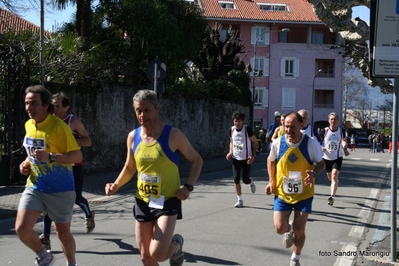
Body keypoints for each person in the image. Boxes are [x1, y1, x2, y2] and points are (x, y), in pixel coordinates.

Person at [105, 90, 203, 266]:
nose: (142, 115)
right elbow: (129, 166)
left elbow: (197, 160)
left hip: (167, 201)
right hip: (143, 200)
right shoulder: (133, 137)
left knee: (157, 253)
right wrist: (116, 184)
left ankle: (176, 246)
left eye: (146, 110)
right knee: (145, 257)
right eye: (138, 110)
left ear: (157, 108)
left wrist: (188, 187)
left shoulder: (173, 135)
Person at [16, 85, 82, 266]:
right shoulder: (29, 125)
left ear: (46, 105)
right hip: (35, 186)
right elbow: (32, 152)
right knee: (21, 229)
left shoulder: (59, 127)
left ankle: (72, 263)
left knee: (62, 233)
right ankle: (46, 257)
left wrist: (52, 157)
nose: (30, 107)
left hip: (60, 189)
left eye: (34, 103)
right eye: (27, 103)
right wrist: (26, 164)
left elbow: (77, 156)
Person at [265, 112, 325, 266]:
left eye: (292, 127)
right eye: (286, 126)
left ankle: (295, 258)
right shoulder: (278, 143)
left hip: (304, 193)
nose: (289, 130)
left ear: (301, 125)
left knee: (300, 229)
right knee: (279, 228)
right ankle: (289, 227)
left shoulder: (310, 144)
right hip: (283, 193)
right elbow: (270, 160)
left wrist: (314, 173)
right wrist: (271, 181)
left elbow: (322, 163)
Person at [39, 92, 95, 251]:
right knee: (49, 200)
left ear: (66, 107)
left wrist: (70, 141)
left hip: (73, 165)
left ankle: (89, 215)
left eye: (57, 106)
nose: (54, 109)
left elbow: (88, 141)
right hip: (54, 165)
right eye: (52, 105)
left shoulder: (73, 121)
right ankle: (46, 237)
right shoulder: (49, 121)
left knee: (76, 197)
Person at [226, 111, 257, 207]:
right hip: (235, 158)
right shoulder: (231, 130)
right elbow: (231, 141)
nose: (237, 123)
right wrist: (230, 151)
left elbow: (255, 142)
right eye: (235, 121)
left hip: (246, 158)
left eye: (239, 121)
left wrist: (253, 155)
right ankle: (240, 200)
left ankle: (250, 182)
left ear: (242, 121)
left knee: (245, 180)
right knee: (236, 179)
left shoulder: (247, 129)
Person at [320, 112, 349, 206]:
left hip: (337, 157)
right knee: (330, 177)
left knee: (334, 176)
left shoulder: (341, 131)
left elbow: (344, 141)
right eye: (331, 119)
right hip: (326, 158)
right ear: (329, 121)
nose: (333, 121)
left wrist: (344, 148)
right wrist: (321, 147)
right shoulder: (324, 131)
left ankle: (332, 197)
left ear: (337, 121)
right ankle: (335, 182)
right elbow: (316, 142)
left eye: (335, 119)